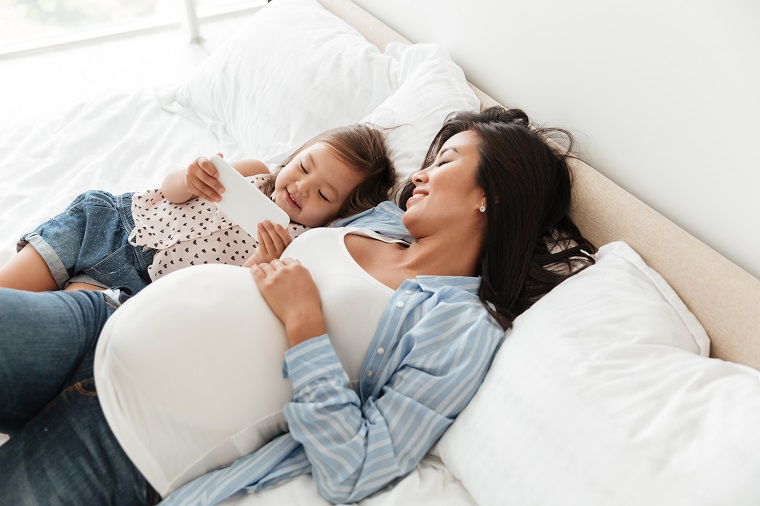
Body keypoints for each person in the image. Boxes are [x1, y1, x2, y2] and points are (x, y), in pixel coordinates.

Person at [0, 106, 596, 505]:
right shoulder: (382, 221)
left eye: (444, 163)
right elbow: (303, 181)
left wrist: (305, 321)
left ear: (488, 197)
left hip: (129, 443)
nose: (420, 174)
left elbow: (357, 466)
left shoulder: (462, 325)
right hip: (100, 323)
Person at [0, 123, 396, 295]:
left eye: (324, 195)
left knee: (48, 325)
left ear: (337, 215)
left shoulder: (296, 246)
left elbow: (228, 291)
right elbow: (170, 191)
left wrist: (260, 260)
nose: (302, 187)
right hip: (110, 223)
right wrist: (191, 176)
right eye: (304, 166)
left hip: (138, 285)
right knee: (9, 295)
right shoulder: (255, 173)